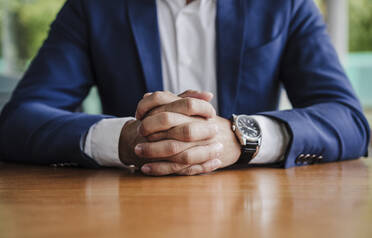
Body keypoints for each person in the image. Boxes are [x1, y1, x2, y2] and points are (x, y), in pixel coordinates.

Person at [0, 0, 370, 176]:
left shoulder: (286, 5)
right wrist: (125, 139)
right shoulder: (92, 8)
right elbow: (18, 122)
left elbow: (349, 120)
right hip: (127, 215)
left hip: (253, 217)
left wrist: (243, 136)